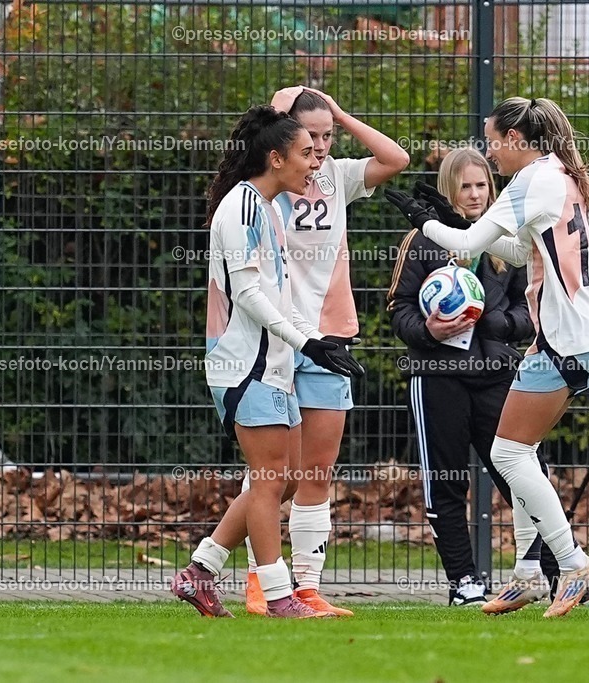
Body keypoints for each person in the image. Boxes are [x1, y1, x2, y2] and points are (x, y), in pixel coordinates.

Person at [385, 96, 589, 618]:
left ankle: (573, 561)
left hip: (565, 340)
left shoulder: (531, 179)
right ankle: (528, 576)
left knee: (509, 456)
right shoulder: (562, 174)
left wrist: (427, 222)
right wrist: (447, 222)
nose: (490, 154)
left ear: (515, 140)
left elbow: (465, 247)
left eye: (492, 142)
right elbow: (518, 252)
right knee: (520, 451)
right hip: (584, 338)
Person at [170, 105, 363, 619]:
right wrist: (305, 343)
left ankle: (201, 571)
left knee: (282, 477)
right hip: (246, 366)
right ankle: (278, 596)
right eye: (305, 153)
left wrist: (316, 341)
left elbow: (278, 300)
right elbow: (250, 294)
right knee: (270, 479)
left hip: (271, 362)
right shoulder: (243, 209)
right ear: (275, 158)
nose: (314, 163)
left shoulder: (266, 206)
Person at [241, 86, 409, 617]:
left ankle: (307, 586)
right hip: (276, 337)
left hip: (329, 337)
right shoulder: (265, 188)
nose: (319, 145)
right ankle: (260, 580)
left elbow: (395, 159)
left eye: (327, 135)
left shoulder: (336, 175)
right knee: (272, 472)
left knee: (318, 469)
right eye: (309, 135)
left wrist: (338, 113)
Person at [387, 148, 564, 606]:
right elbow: (398, 310)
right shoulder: (422, 241)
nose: (474, 194)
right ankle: (464, 582)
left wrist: (495, 323)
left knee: (522, 474)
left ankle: (554, 572)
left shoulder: (509, 240)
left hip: (497, 375)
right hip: (438, 376)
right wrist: (429, 329)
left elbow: (532, 311)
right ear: (449, 189)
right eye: (464, 186)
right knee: (445, 481)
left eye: (482, 185)